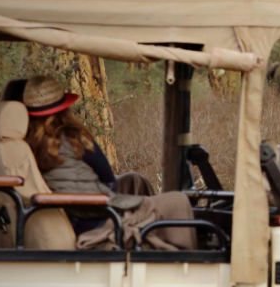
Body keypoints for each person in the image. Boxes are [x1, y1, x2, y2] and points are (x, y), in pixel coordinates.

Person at [20, 75, 195, 250]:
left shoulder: (25, 145)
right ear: (63, 109)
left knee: (134, 180)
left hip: (72, 215)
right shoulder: (74, 138)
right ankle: (185, 258)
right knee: (177, 201)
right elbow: (107, 176)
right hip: (98, 217)